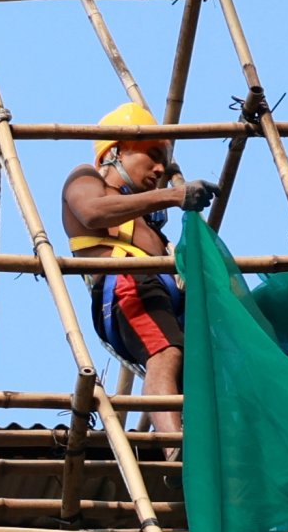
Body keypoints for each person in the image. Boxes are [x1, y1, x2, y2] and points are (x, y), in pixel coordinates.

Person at [59, 99, 213, 410]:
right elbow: (91, 213)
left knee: (196, 371)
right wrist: (172, 195)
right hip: (127, 283)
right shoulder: (88, 178)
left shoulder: (149, 223)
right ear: (116, 151)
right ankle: (173, 449)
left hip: (164, 294)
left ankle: (195, 443)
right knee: (165, 353)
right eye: (153, 157)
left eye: (164, 165)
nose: (159, 170)